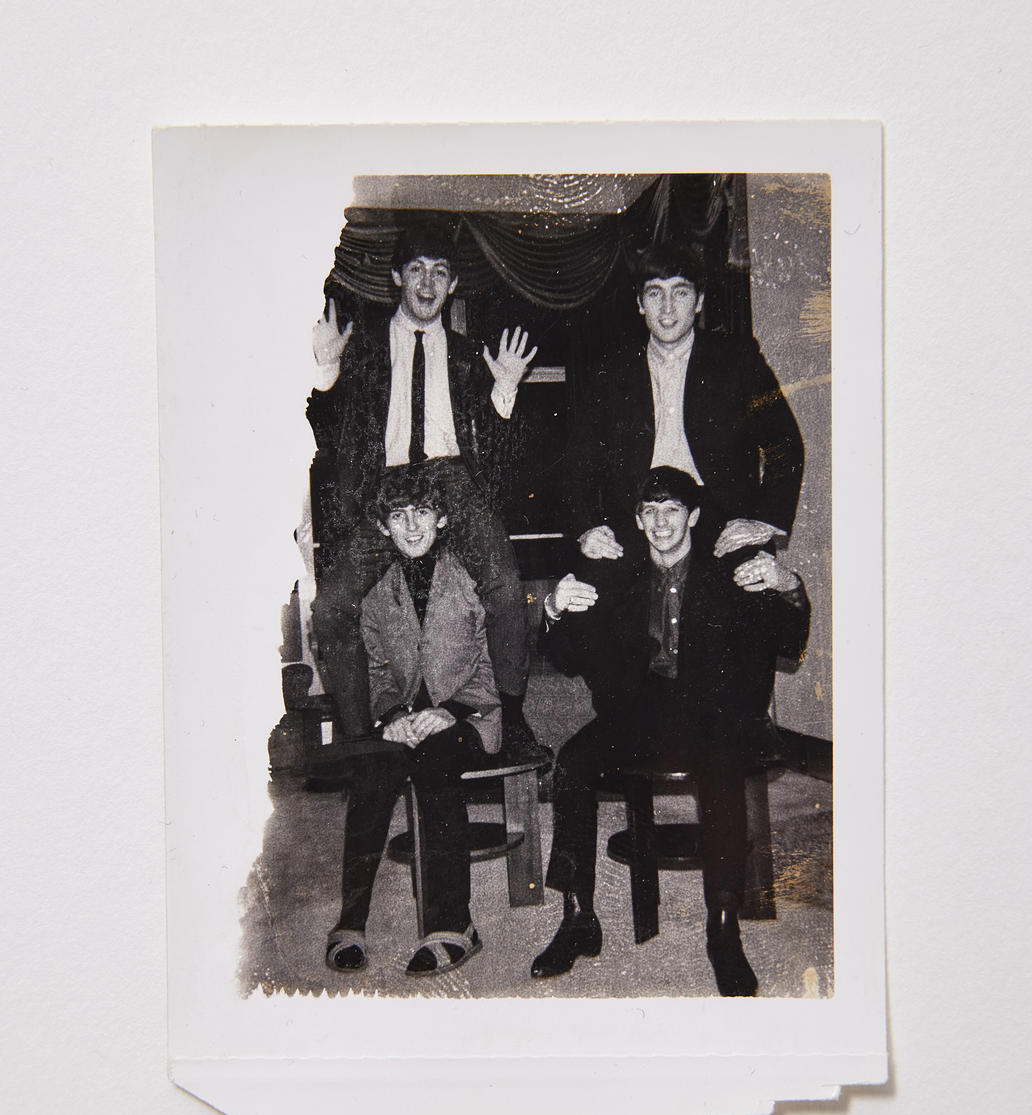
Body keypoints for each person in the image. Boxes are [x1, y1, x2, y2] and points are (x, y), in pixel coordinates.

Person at [530, 467, 810, 996]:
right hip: (638, 716)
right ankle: (578, 916)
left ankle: (723, 929)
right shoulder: (614, 576)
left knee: (722, 766)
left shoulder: (728, 570)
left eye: (673, 510)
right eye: (650, 511)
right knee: (572, 763)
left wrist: (788, 585)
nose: (661, 522)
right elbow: (565, 658)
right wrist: (551, 609)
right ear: (637, 521)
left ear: (694, 517)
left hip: (714, 716)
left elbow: (788, 642)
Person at [307, 220, 545, 757]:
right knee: (331, 607)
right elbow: (323, 435)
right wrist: (326, 370)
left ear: (453, 284)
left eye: (440, 272)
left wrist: (505, 390)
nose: (428, 283)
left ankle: (512, 721)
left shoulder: (469, 354)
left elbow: (500, 459)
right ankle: (361, 739)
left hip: (452, 482)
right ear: (397, 277)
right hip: (384, 491)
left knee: (507, 590)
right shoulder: (362, 349)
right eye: (416, 269)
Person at [324, 465, 500, 978]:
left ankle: (454, 924)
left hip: (469, 715)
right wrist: (392, 715)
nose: (412, 526)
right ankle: (351, 921)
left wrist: (450, 711)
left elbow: (495, 661)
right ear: (383, 528)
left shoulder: (470, 578)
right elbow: (377, 670)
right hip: (405, 720)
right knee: (372, 771)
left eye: (422, 512)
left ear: (441, 518)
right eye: (398, 517)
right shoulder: (376, 591)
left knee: (435, 765)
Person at [569, 241, 804, 565]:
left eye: (680, 293)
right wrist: (588, 528)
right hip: (637, 525)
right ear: (640, 303)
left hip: (722, 526)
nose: (667, 309)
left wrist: (765, 522)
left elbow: (785, 443)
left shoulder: (737, 359)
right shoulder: (611, 370)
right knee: (596, 593)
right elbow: (579, 460)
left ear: (699, 301)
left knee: (750, 594)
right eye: (655, 293)